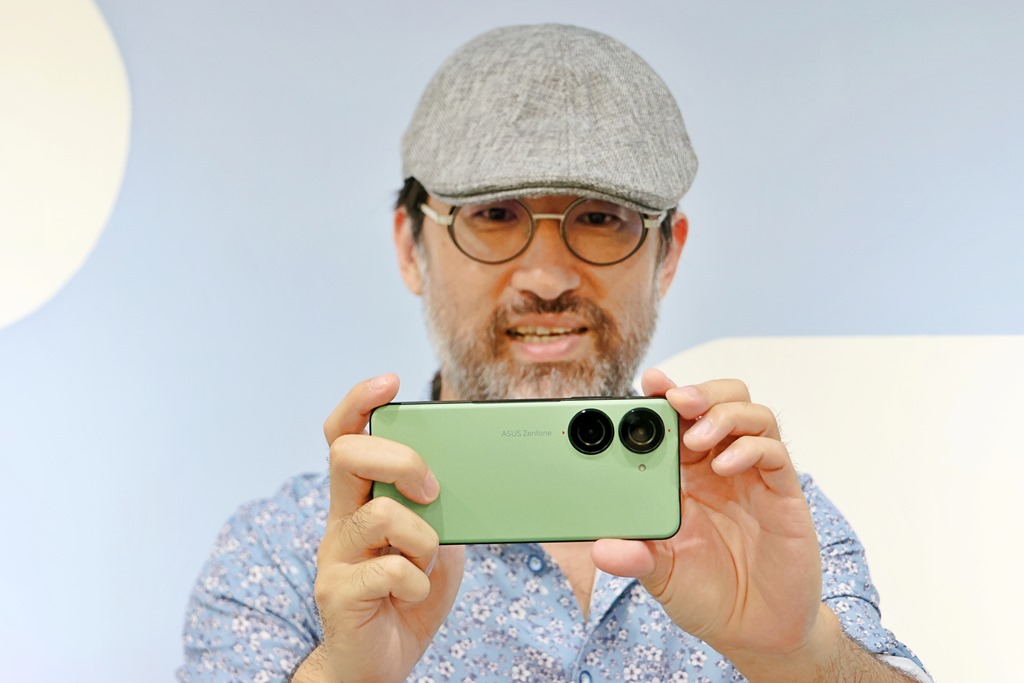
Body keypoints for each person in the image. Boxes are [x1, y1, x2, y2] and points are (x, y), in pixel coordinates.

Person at [178, 24, 931, 683]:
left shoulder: (759, 515)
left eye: (600, 218)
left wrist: (801, 656)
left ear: (668, 255)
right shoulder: (281, 553)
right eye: (494, 215)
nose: (546, 278)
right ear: (410, 247)